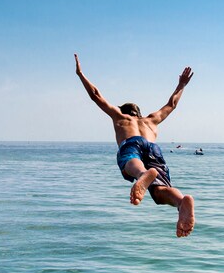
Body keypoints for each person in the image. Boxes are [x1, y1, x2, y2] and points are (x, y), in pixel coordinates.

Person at [74, 54, 196, 237]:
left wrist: (80, 74)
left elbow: (96, 96)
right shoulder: (151, 120)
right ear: (139, 113)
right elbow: (172, 104)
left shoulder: (120, 117)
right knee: (159, 192)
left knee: (131, 160)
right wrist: (182, 85)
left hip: (131, 143)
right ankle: (180, 202)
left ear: (124, 111)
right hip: (153, 148)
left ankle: (142, 174)